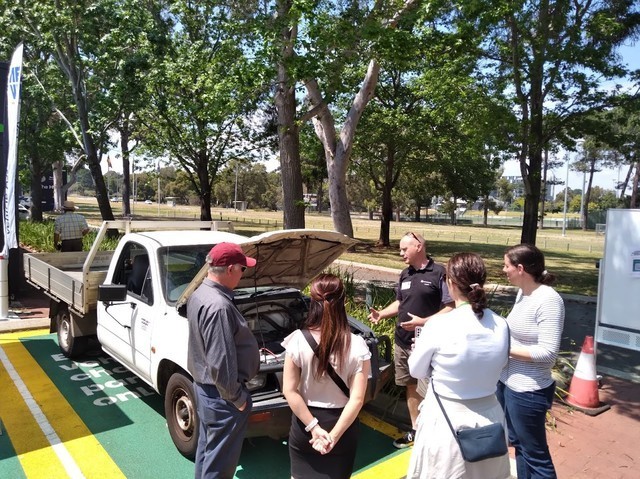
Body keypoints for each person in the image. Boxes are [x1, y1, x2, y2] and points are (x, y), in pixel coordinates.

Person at [407, 252, 511, 479]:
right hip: (491, 417)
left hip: (446, 422)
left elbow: (416, 370)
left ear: (450, 283)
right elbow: (501, 364)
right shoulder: (502, 324)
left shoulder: (439, 324)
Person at [368, 231, 454, 448]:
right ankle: (416, 430)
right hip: (403, 342)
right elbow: (400, 303)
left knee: (430, 388)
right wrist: (381, 314)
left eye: (404, 249)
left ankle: (433, 432)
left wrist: (423, 322)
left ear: (419, 246)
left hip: (428, 345)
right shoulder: (405, 274)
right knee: (410, 386)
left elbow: (451, 307)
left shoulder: (439, 273)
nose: (401, 253)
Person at [282, 274, 371, 479]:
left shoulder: (297, 341)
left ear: (312, 301)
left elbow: (289, 390)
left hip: (305, 425)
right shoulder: (357, 345)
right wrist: (333, 436)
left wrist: (314, 428)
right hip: (342, 426)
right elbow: (357, 399)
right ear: (344, 302)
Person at [187, 242, 260, 479]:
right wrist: (238, 400)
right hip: (223, 398)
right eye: (242, 269)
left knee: (208, 452)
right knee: (220, 465)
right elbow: (221, 364)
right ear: (230, 269)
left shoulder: (199, 293)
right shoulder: (218, 306)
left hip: (205, 390)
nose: (242, 273)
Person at [498, 244, 564, 479]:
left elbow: (548, 353)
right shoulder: (522, 293)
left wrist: (505, 349)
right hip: (508, 384)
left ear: (520, 268)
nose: (503, 270)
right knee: (520, 447)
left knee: (536, 455)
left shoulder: (548, 300)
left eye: (506, 265)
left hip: (529, 390)